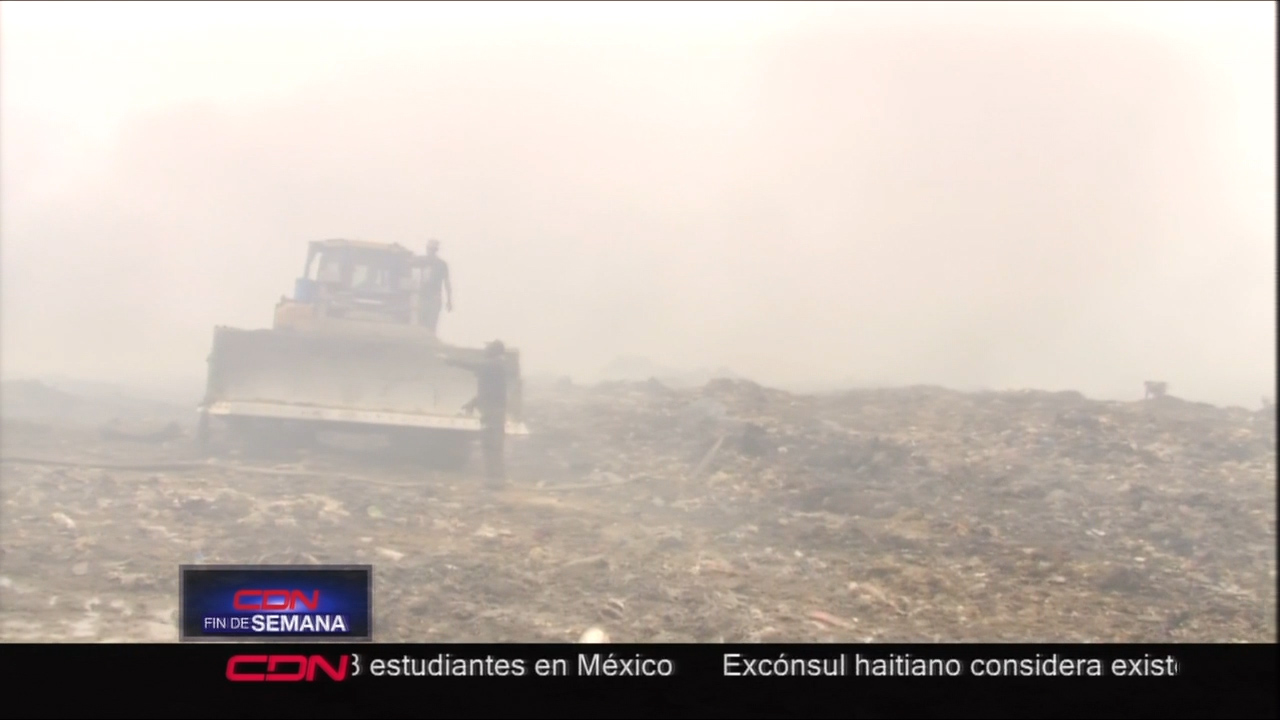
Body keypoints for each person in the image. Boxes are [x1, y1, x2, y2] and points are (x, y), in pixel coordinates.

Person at [446, 340, 508, 487]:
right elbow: (486, 391)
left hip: (493, 412)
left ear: (494, 351)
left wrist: (451, 361)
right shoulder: (494, 367)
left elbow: (474, 366)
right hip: (492, 410)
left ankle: (495, 481)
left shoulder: (494, 365)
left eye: (488, 347)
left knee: (491, 445)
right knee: (490, 445)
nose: (485, 349)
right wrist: (472, 403)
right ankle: (494, 480)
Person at [416, 239, 452, 332]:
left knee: (431, 324)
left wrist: (449, 300)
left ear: (435, 250)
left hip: (434, 297)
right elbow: (409, 261)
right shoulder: (421, 260)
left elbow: (446, 282)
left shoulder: (441, 264)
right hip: (422, 296)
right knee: (420, 322)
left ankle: (429, 341)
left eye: (432, 249)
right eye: (428, 249)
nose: (429, 251)